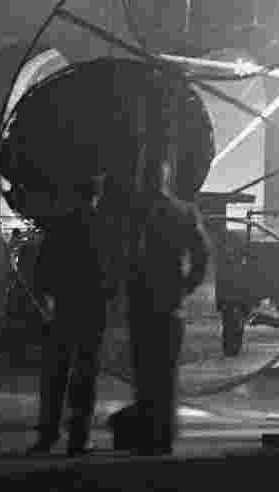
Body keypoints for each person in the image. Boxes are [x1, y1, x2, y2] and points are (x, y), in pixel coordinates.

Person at [120, 165, 211, 456]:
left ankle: (147, 435)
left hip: (141, 301)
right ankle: (163, 436)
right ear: (167, 178)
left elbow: (122, 253)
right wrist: (187, 285)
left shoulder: (134, 213)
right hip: (171, 301)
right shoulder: (184, 212)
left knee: (145, 372)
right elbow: (202, 253)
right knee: (166, 373)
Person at [27, 177, 116, 456]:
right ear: (97, 196)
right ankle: (79, 437)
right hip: (92, 309)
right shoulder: (104, 227)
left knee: (55, 374)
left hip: (63, 306)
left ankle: (48, 433)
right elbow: (113, 270)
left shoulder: (59, 224)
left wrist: (46, 301)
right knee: (86, 374)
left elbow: (43, 268)